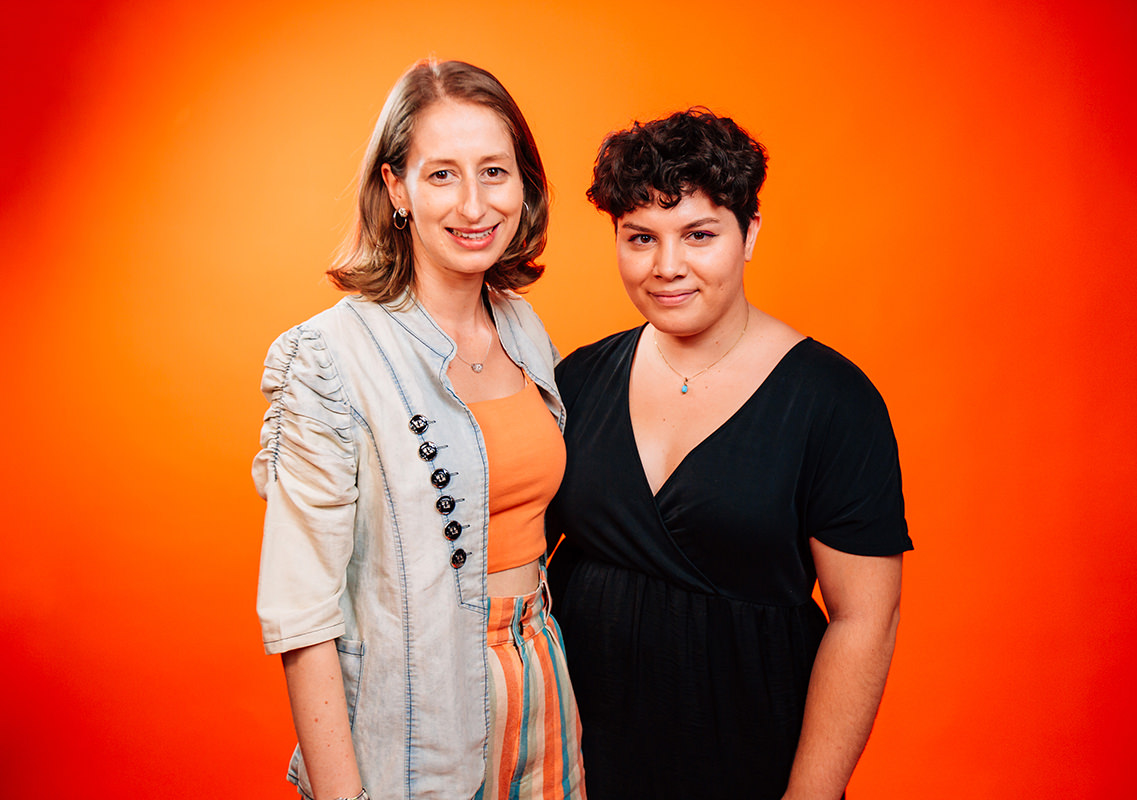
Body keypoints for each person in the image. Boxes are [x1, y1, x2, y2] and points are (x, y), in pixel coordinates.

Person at [545, 108, 911, 800]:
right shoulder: (577, 380)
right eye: (640, 238)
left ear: (750, 233)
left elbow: (866, 619)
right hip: (574, 760)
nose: (667, 267)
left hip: (748, 755)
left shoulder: (834, 401)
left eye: (699, 234)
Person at [253, 60, 585, 800]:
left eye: (494, 171)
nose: (474, 203)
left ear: (524, 183)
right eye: (441, 175)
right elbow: (301, 616)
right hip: (417, 714)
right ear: (396, 187)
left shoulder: (524, 328)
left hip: (543, 678)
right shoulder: (329, 358)